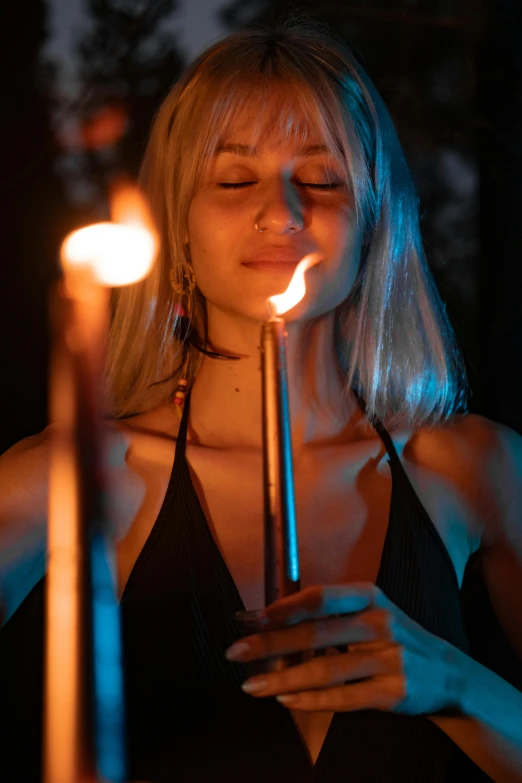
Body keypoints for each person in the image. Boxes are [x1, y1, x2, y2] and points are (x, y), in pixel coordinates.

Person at [1, 19, 522, 783]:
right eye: (234, 179)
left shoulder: (472, 466)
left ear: (375, 221)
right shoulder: (75, 475)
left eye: (321, 177)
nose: (281, 213)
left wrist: (457, 684)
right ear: (178, 227)